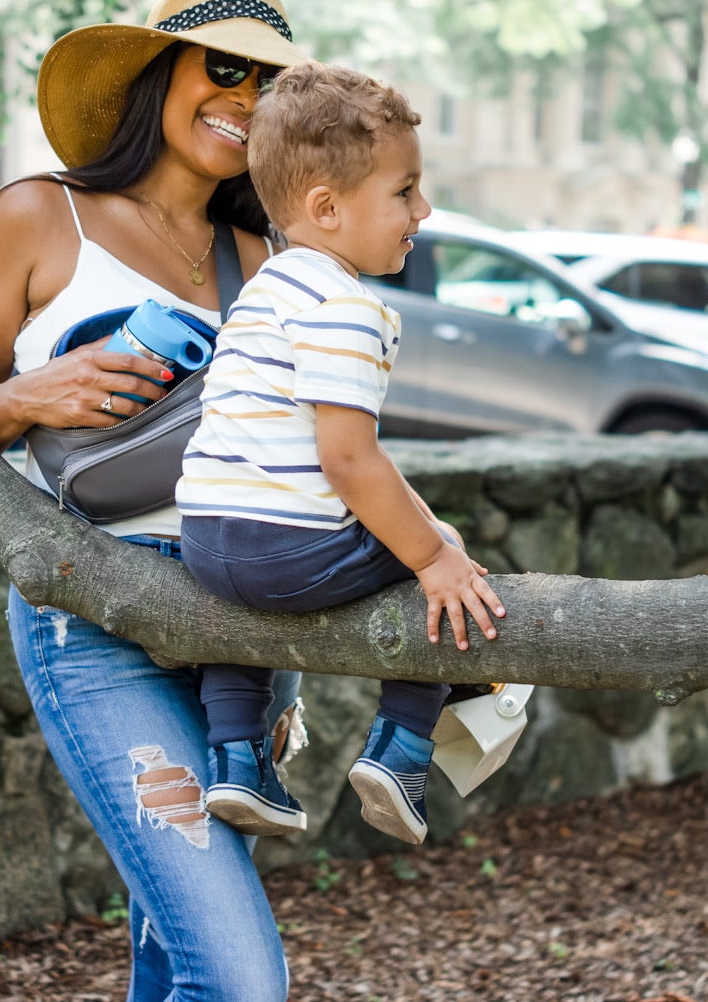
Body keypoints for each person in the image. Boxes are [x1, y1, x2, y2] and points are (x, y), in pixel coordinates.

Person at [0, 0, 305, 1002]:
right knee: (236, 979)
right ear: (157, 73)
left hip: (250, 627)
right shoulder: (40, 217)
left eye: (269, 84)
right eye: (223, 67)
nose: (245, 98)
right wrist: (27, 395)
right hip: (99, 614)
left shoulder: (264, 252)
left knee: (172, 950)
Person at [175, 61, 506, 846]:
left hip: (207, 543)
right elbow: (349, 461)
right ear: (326, 207)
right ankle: (400, 749)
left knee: (240, 609)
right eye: (404, 192)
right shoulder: (346, 307)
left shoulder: (263, 290)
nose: (422, 209)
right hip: (286, 550)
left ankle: (236, 760)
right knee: (445, 564)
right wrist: (434, 557)